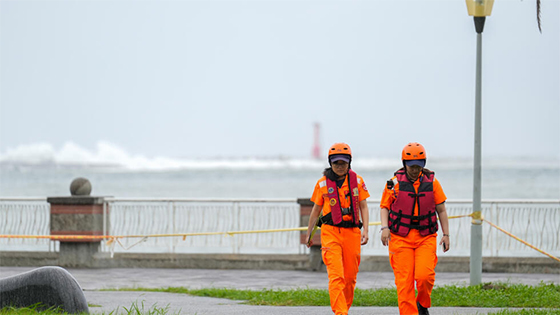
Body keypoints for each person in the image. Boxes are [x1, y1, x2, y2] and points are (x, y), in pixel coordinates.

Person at [380, 142, 450, 315]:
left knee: (424, 277)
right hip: (400, 238)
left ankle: (423, 303)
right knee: (404, 283)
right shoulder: (393, 183)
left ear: (424, 164)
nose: (415, 169)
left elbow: (441, 209)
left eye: (419, 165)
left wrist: (446, 234)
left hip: (425, 237)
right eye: (411, 166)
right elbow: (384, 207)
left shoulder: (432, 183)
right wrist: (384, 228)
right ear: (404, 163)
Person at [305, 142, 370, 315]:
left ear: (349, 163)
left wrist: (366, 230)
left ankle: (344, 309)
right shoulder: (322, 184)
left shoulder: (358, 181)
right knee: (336, 276)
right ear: (330, 163)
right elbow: (315, 211)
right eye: (336, 163)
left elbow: (363, 206)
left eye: (343, 163)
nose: (340, 167)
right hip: (330, 233)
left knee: (349, 279)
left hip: (352, 234)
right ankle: (341, 313)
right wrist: (309, 233)